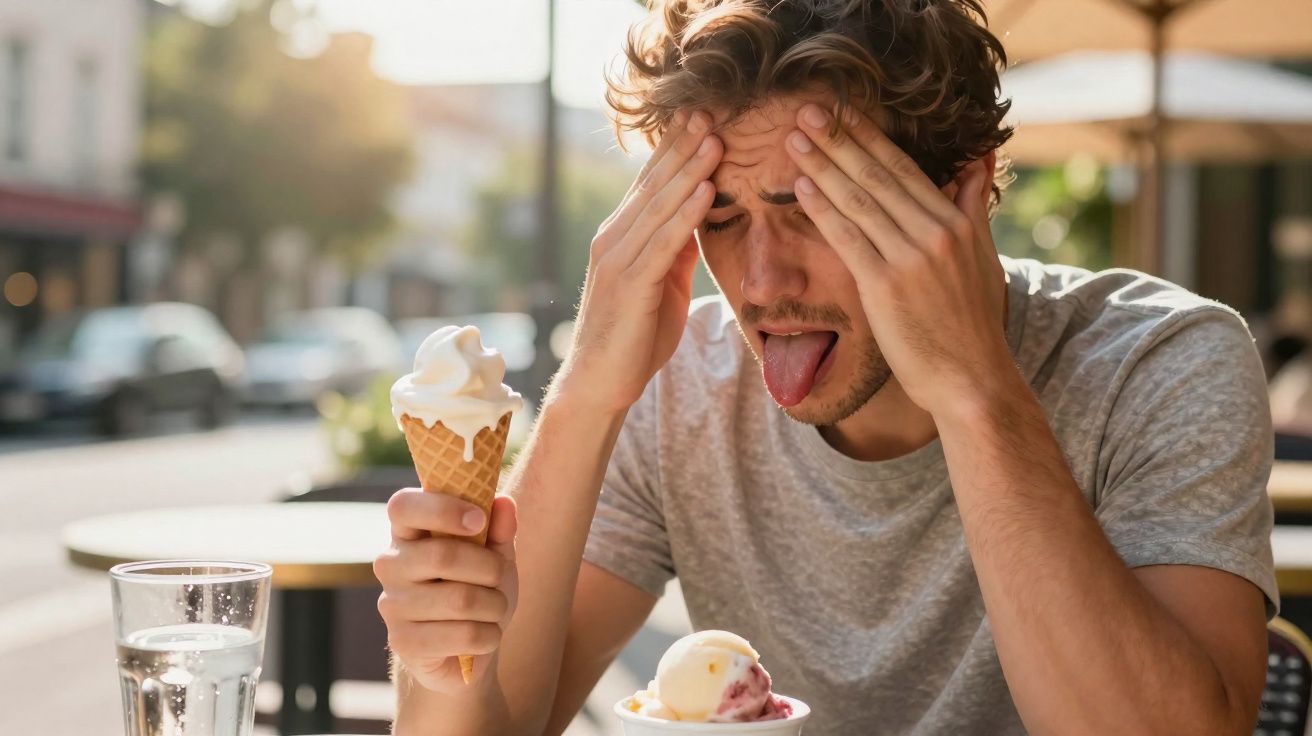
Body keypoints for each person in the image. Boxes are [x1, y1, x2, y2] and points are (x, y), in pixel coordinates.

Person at [373, 1, 1276, 733]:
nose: (762, 284)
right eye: (719, 218)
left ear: (962, 188)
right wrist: (587, 396)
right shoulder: (680, 387)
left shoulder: (1163, 362)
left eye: (812, 207)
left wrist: (974, 391)